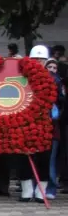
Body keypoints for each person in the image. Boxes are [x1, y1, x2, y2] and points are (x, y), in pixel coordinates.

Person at [18, 46, 63, 201]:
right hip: (23, 123)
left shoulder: (53, 78)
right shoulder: (21, 76)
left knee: (44, 157)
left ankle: (41, 189)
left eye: (41, 59)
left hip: (46, 124)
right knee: (23, 157)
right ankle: (26, 189)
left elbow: (59, 100)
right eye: (35, 59)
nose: (38, 62)